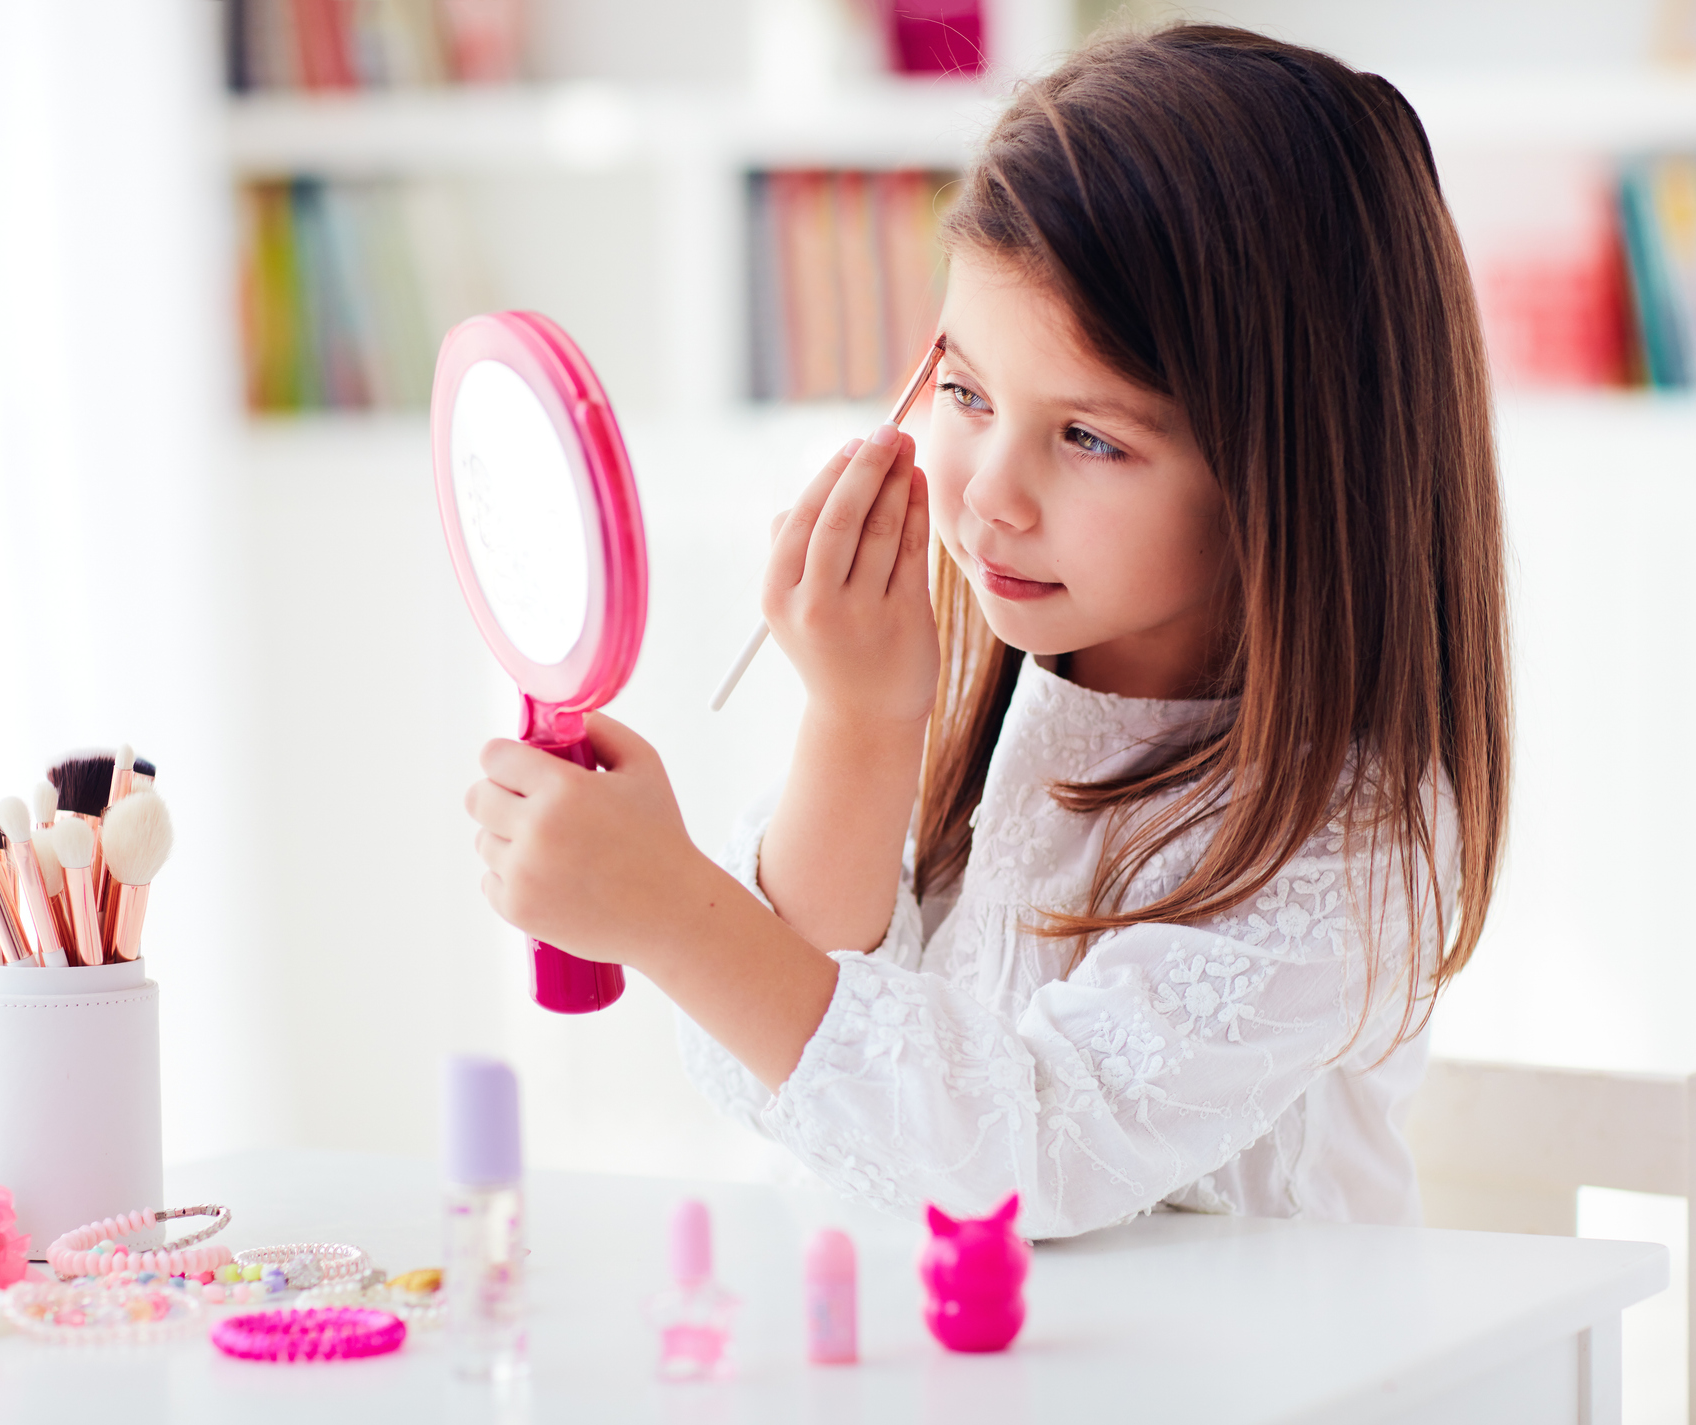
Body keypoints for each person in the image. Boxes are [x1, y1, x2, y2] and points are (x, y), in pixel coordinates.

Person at [462, 24, 1509, 1237]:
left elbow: (1024, 1158)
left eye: (1090, 438)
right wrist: (856, 722)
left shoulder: (1356, 829)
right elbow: (784, 1059)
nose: (986, 494)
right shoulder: (985, 694)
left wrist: (669, 910)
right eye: (964, 392)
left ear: (1291, 480)